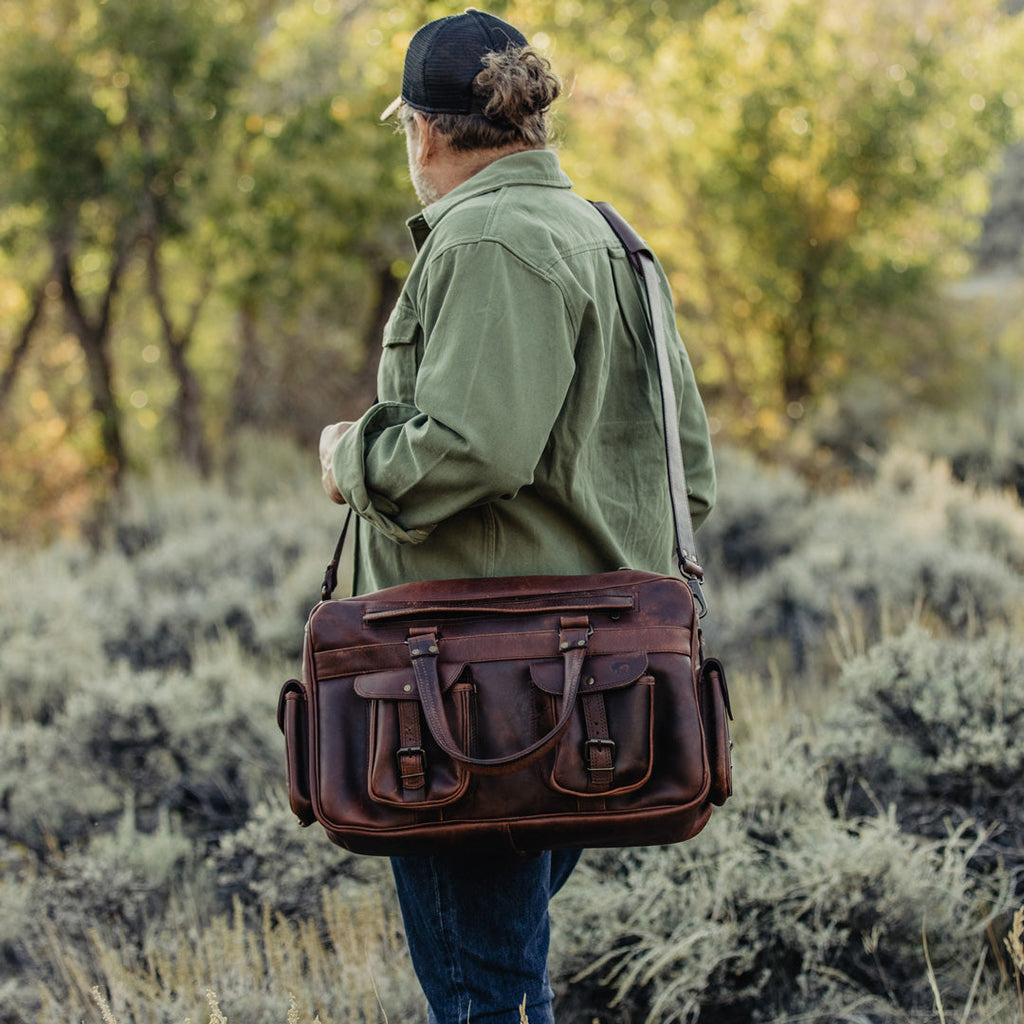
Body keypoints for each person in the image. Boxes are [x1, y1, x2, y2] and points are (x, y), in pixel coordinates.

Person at [319, 10, 716, 1023]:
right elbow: (689, 473)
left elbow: (472, 448)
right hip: (589, 685)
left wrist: (348, 455)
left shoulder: (486, 236)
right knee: (504, 977)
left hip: (471, 693)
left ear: (424, 130)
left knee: (484, 995)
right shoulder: (608, 236)